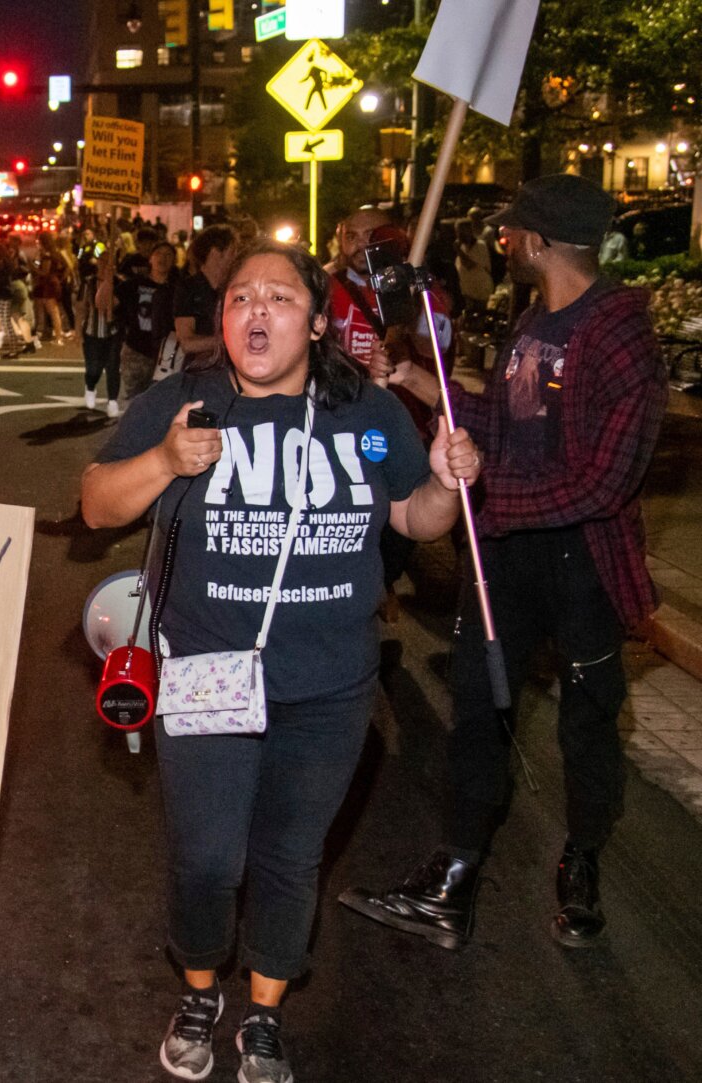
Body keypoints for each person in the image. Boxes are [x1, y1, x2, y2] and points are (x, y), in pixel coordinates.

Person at [82, 241, 481, 1083]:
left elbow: (416, 518)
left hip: (331, 684)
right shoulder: (181, 402)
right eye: (240, 297)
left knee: (292, 857)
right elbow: (94, 504)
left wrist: (448, 480)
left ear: (319, 322)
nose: (255, 310)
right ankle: (199, 990)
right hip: (207, 671)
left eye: (280, 297)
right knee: (207, 856)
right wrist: (163, 461)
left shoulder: (366, 413)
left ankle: (264, 1011)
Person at [341, 174, 668, 952]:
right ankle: (454, 876)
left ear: (544, 241)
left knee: (588, 720)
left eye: (514, 231)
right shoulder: (531, 322)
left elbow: (603, 482)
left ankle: (581, 861)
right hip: (508, 553)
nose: (504, 240)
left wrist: (491, 486)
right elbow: (499, 421)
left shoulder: (622, 337)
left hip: (582, 560)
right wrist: (419, 380)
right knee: (479, 711)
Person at [326, 209, 454, 621]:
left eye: (372, 236)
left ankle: (385, 579)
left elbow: (438, 344)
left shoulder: (416, 288)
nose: (361, 245)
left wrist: (410, 321)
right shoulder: (324, 286)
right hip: (341, 417)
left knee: (401, 499)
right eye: (352, 235)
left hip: (401, 418)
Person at [115, 241, 177, 409]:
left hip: (166, 353)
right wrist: (105, 278)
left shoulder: (178, 288)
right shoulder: (134, 284)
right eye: (158, 254)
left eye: (168, 255)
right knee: (133, 400)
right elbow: (107, 302)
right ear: (150, 258)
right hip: (136, 350)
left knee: (160, 401)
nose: (163, 258)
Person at [171, 225, 239, 365]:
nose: (236, 257)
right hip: (200, 369)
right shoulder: (188, 288)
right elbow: (187, 343)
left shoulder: (235, 287)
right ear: (215, 252)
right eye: (232, 251)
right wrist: (230, 341)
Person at [79, 236, 123, 415]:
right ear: (97, 262)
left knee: (113, 367)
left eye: (109, 262)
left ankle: (112, 401)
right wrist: (77, 331)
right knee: (93, 368)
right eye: (103, 261)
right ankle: (90, 387)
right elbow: (82, 307)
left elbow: (120, 306)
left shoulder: (119, 283)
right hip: (92, 332)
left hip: (113, 333)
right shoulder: (89, 283)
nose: (105, 265)